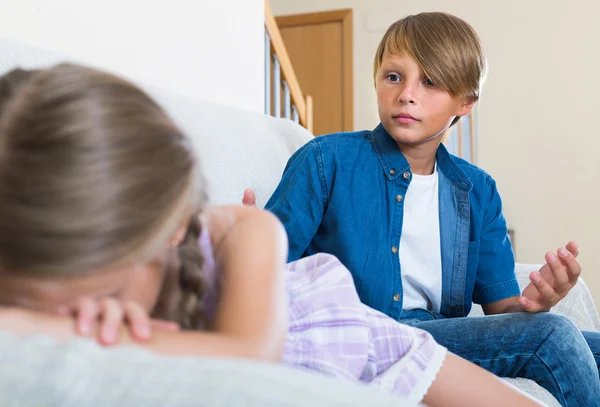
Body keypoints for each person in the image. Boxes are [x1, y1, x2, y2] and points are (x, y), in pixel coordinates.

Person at [0, 63, 540, 407]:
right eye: (394, 77)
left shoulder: (244, 230)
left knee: (551, 349)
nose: (84, 320)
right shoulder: (328, 159)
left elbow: (245, 358)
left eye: (92, 301)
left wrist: (69, 332)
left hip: (371, 341)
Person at [243, 11, 600, 406]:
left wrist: (540, 301)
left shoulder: (477, 190)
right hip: (364, 335)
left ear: (465, 102)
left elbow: (502, 309)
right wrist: (245, 241)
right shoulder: (326, 160)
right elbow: (267, 271)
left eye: (429, 82)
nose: (406, 94)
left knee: (580, 339)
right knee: (556, 337)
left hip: (439, 336)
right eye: (393, 77)